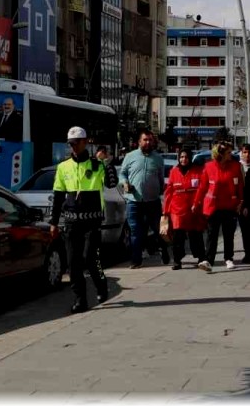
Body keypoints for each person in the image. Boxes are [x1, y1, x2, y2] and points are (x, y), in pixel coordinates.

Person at [50, 126, 113, 313]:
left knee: (91, 259)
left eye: (77, 143)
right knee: (73, 263)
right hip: (71, 222)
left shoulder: (97, 165)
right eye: (71, 144)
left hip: (92, 222)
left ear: (85, 142)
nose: (74, 147)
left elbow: (111, 183)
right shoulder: (63, 167)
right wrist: (54, 222)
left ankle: (102, 286)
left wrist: (106, 164)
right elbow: (58, 196)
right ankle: (80, 300)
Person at [119, 130, 168, 269]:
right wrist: (124, 183)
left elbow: (160, 178)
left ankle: (164, 250)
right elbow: (122, 174)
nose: (148, 142)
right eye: (145, 140)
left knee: (159, 230)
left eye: (150, 140)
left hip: (152, 202)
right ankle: (136, 260)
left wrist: (160, 193)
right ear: (139, 142)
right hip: (134, 201)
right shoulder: (130, 156)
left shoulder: (158, 158)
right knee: (136, 232)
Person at [196, 135, 244, 271]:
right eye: (228, 152)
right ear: (221, 154)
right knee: (212, 235)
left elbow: (240, 185)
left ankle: (229, 258)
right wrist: (196, 203)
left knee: (229, 234)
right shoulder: (208, 167)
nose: (231, 154)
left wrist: (241, 201)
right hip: (213, 207)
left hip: (230, 206)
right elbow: (202, 187)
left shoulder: (235, 166)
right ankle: (208, 261)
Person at [163, 148, 209, 271]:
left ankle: (201, 257)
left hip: (194, 208)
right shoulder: (174, 171)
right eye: (182, 157)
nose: (184, 159)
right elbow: (169, 192)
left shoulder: (198, 171)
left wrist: (198, 203)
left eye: (186, 157)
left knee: (196, 234)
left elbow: (202, 189)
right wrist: (165, 210)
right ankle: (177, 260)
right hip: (177, 208)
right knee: (178, 236)